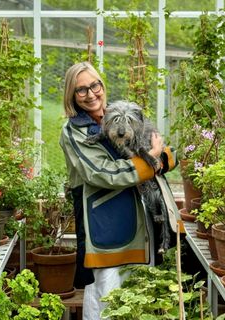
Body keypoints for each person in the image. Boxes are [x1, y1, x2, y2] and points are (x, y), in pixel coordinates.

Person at [60, 61, 178, 319]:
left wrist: (160, 158)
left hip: (140, 224)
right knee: (106, 299)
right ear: (72, 95)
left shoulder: (123, 114)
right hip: (105, 225)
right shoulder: (74, 132)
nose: (91, 94)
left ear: (102, 85)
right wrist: (154, 159)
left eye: (95, 85)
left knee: (139, 297)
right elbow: (102, 173)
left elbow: (164, 151)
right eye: (81, 90)